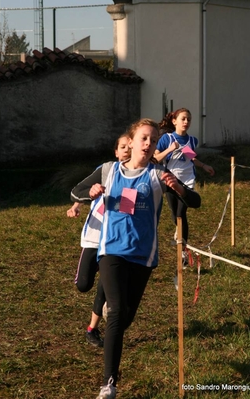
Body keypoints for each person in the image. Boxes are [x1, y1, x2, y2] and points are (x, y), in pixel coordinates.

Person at [70, 118, 201, 399]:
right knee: (117, 312)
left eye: (153, 140)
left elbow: (195, 201)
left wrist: (178, 189)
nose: (148, 144)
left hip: (143, 255)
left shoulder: (159, 174)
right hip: (111, 249)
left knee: (125, 317)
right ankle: (109, 384)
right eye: (144, 138)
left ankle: (111, 319)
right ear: (131, 141)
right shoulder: (108, 171)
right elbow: (76, 191)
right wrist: (90, 193)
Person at [67, 133, 130, 347]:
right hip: (93, 237)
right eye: (123, 147)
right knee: (83, 285)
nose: (127, 151)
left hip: (113, 241)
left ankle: (92, 329)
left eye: (130, 147)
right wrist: (80, 203)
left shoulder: (133, 179)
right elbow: (80, 191)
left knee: (105, 285)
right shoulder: (106, 170)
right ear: (116, 151)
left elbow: (127, 211)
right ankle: (93, 270)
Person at [155, 108, 215, 266]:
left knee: (182, 214)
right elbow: (155, 158)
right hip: (170, 181)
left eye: (189, 119)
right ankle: (178, 230)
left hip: (187, 182)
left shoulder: (191, 140)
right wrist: (170, 149)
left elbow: (191, 158)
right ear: (174, 121)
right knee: (175, 215)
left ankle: (183, 252)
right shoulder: (166, 139)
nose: (186, 122)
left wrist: (203, 166)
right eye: (183, 119)